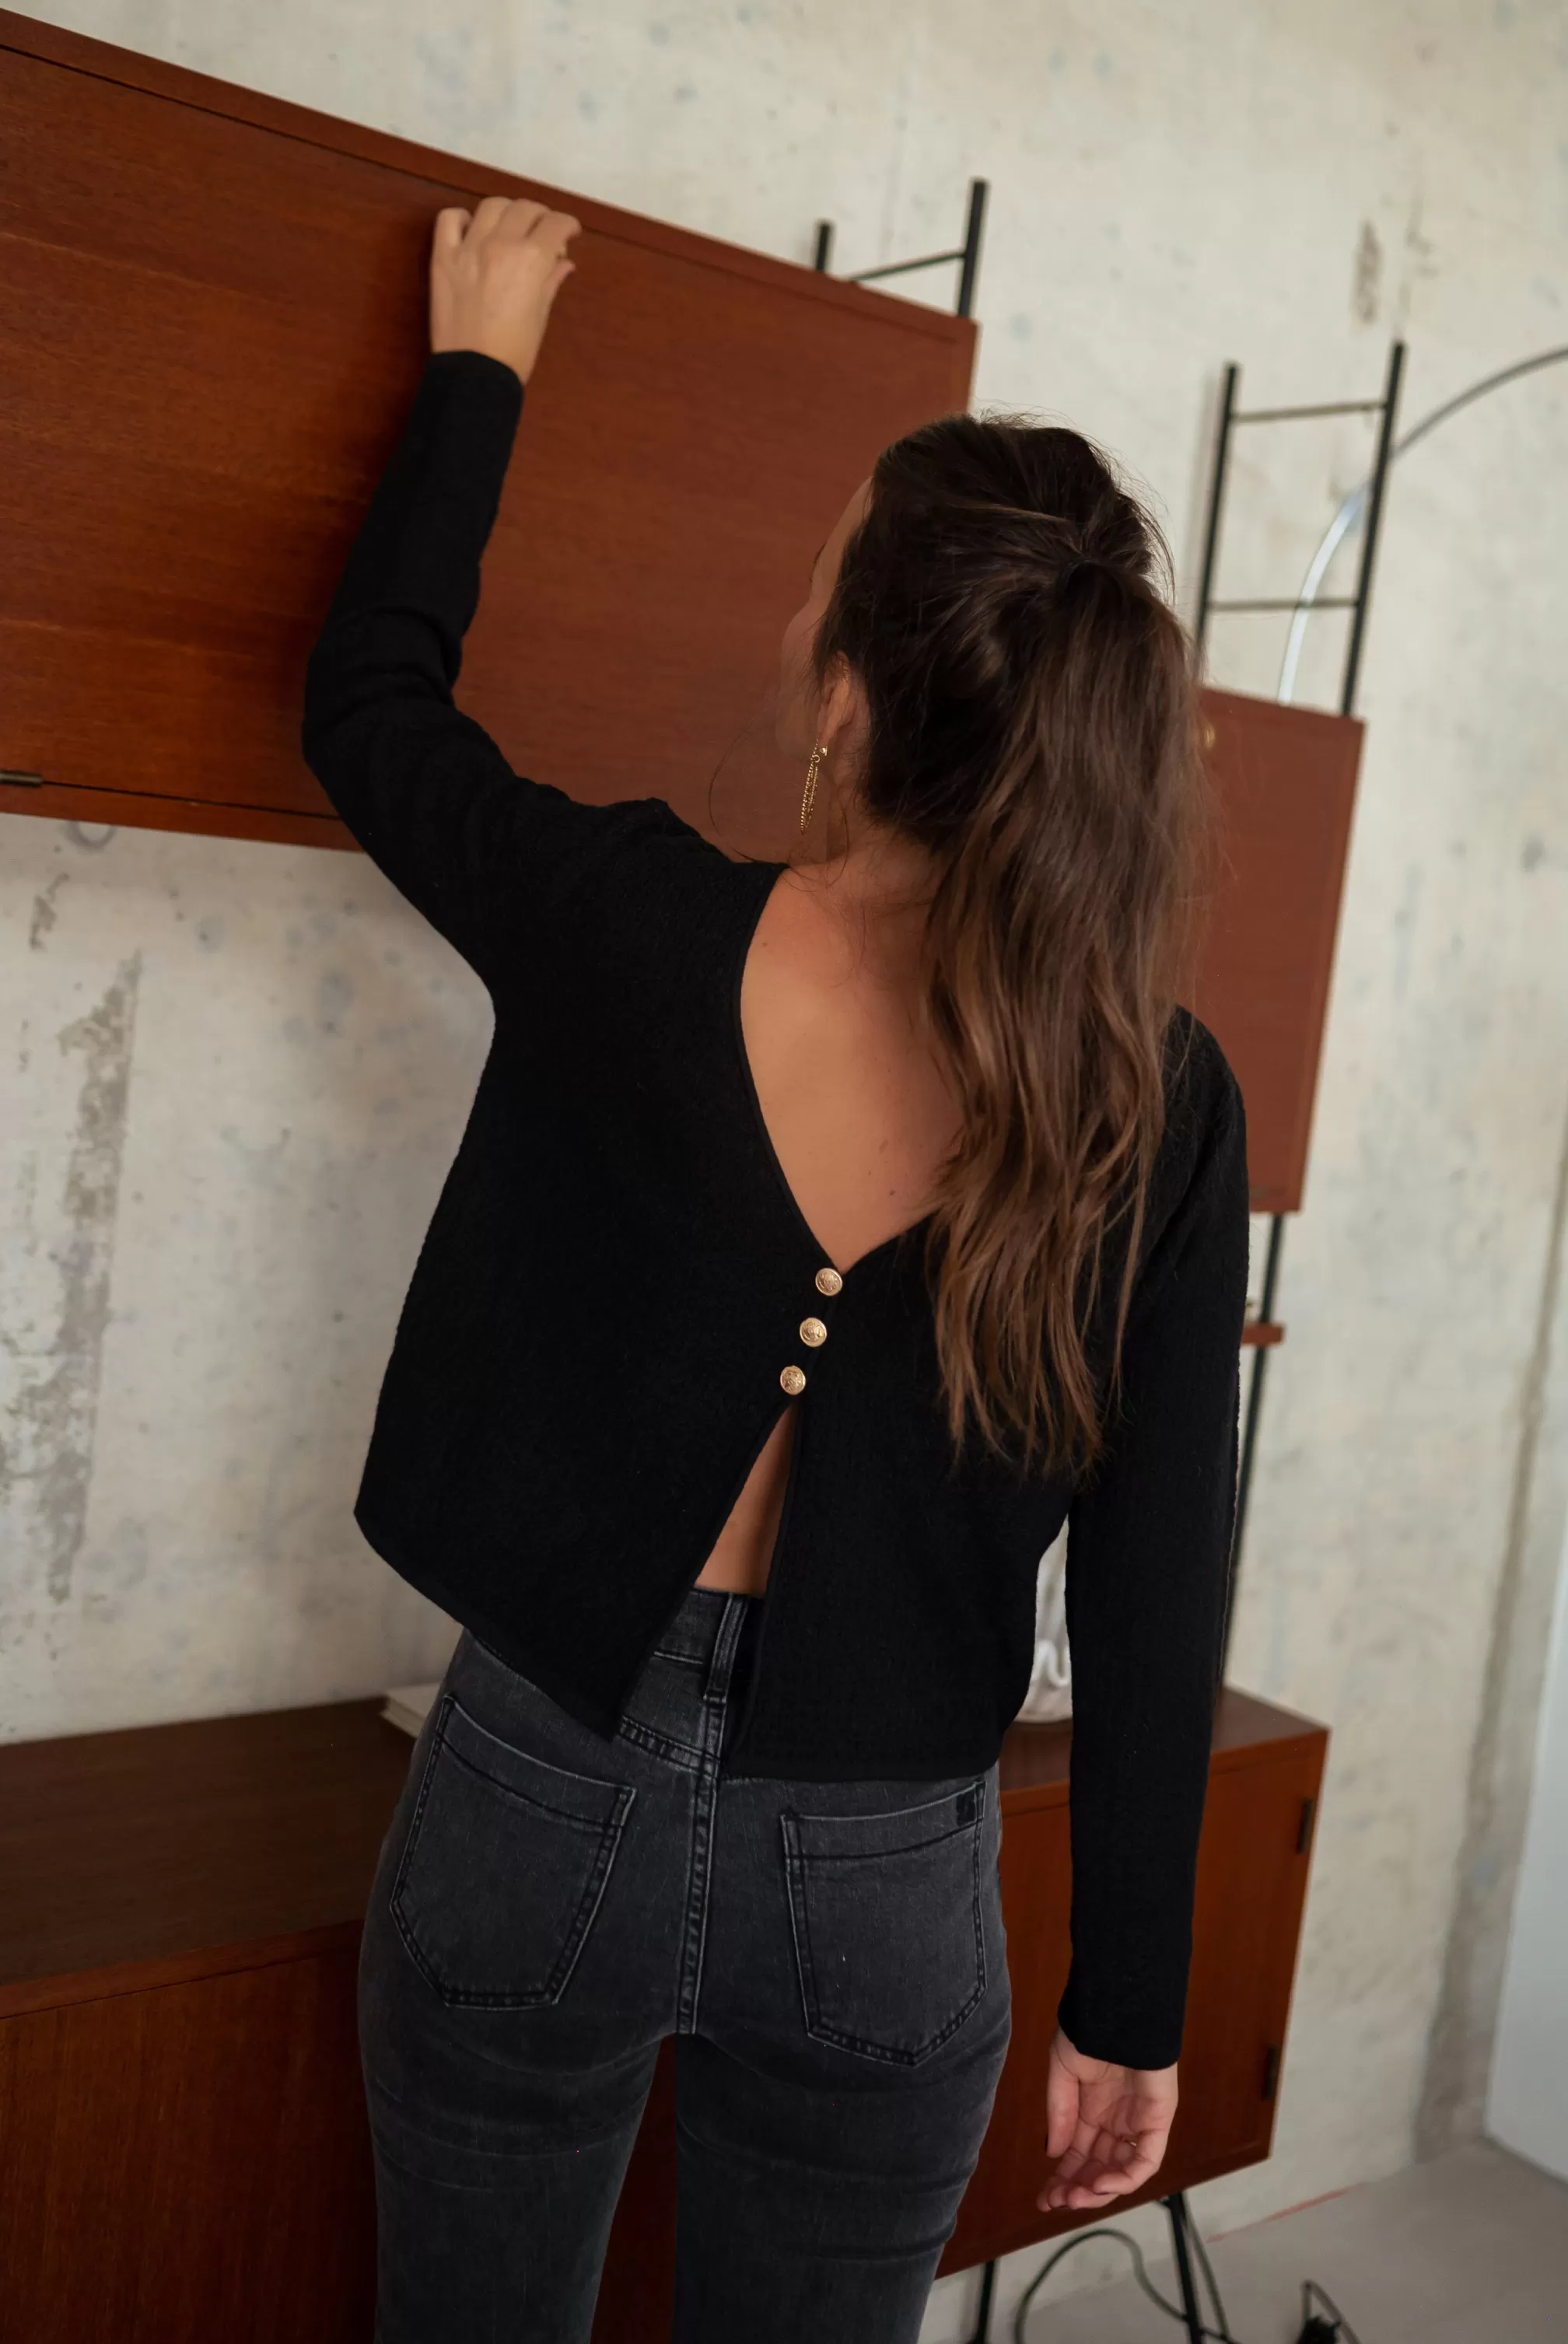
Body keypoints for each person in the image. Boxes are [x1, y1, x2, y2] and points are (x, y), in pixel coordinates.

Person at [302, 196, 1249, 2344]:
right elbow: (1160, 1576)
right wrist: (1131, 1995)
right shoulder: (1157, 1094)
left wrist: (480, 365)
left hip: (537, 1797)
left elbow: (370, 704)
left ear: (851, 692)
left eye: (823, 569)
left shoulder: (627, 924)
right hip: (888, 1883)